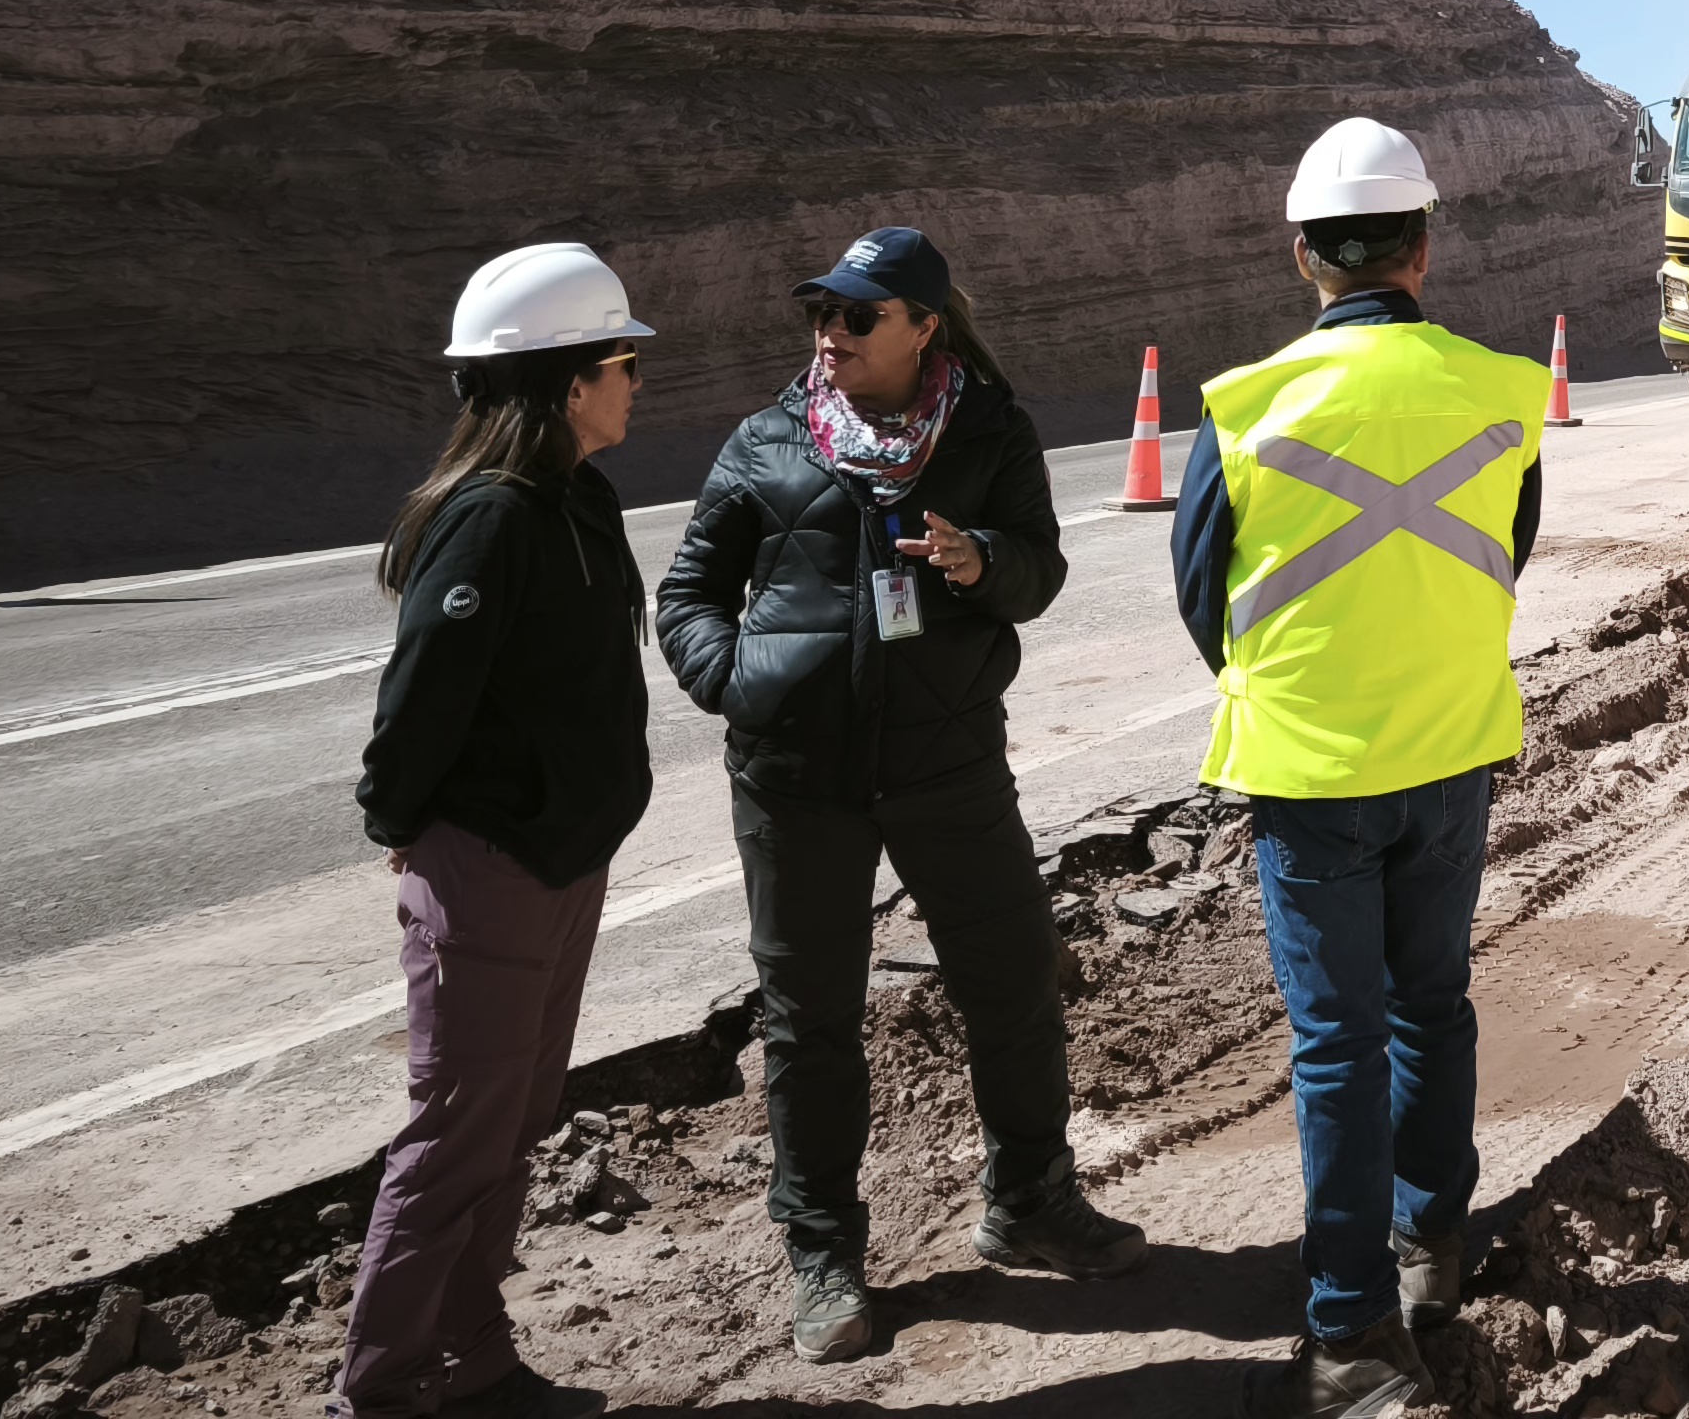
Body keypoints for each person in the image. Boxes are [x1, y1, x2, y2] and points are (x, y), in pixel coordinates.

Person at [654, 226, 1144, 1362]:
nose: (830, 333)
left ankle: (1029, 1201)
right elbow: (686, 590)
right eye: (820, 312)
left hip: (947, 765)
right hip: (796, 783)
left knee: (1014, 985)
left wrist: (981, 561)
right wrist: (737, 685)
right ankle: (823, 1251)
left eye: (858, 315)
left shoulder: (986, 434)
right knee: (809, 1022)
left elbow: (1041, 571)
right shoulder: (768, 441)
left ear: (925, 326)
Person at [1172, 119, 1548, 1417]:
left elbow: (1198, 593)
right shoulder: (1500, 393)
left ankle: (1350, 1337)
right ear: (1423, 251)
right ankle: (1432, 1245)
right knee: (1430, 1007)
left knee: (1336, 1045)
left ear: (1302, 259)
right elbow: (1511, 549)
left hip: (1311, 773)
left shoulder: (1245, 407)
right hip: (1451, 756)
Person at [341, 243, 660, 1419]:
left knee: (512, 1123)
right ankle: (376, 1395)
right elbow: (421, 694)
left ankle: (472, 1365)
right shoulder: (489, 519)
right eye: (623, 361)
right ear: (570, 381)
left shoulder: (576, 497)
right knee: (456, 1138)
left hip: (561, 859)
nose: (636, 381)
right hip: (491, 869)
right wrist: (403, 820)